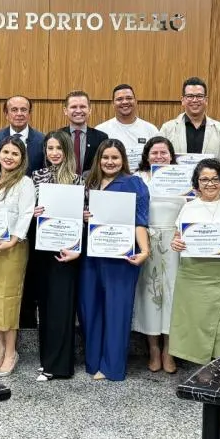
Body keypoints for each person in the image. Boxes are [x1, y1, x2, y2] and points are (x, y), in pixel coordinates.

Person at [169, 159, 220, 364]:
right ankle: (201, 369)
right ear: (196, 183)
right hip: (195, 274)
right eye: (204, 179)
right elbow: (177, 236)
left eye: (215, 179)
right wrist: (176, 244)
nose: (210, 183)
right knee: (196, 322)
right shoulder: (189, 208)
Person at [80, 139, 150, 381]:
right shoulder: (90, 181)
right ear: (98, 159)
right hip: (92, 254)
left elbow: (140, 220)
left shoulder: (134, 183)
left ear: (123, 160)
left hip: (121, 257)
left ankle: (112, 367)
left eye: (115, 158)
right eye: (105, 157)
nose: (110, 162)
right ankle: (93, 361)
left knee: (116, 311)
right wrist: (85, 217)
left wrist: (145, 250)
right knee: (91, 308)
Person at [0, 136, 36, 376]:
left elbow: (26, 214)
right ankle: (0, 350)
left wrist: (13, 240)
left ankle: (11, 352)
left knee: (7, 301)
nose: (9, 157)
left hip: (12, 248)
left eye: (15, 154)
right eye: (6, 152)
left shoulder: (25, 183)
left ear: (21, 158)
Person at [31, 131, 82, 381]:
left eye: (58, 148)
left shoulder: (77, 181)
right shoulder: (36, 177)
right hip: (42, 250)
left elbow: (84, 220)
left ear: (67, 151)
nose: (54, 153)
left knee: (62, 309)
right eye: (50, 148)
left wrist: (84, 215)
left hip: (66, 252)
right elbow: (26, 211)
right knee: (45, 307)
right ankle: (46, 360)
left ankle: (59, 366)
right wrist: (32, 211)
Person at [132, 136, 185, 374]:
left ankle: (169, 351)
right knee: (150, 296)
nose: (159, 157)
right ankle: (153, 349)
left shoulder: (183, 177)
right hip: (147, 242)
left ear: (172, 155)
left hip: (176, 244)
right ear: (147, 155)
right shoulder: (139, 178)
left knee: (174, 295)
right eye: (154, 153)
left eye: (164, 153)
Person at [159, 77, 220, 158]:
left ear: (206, 100)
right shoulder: (167, 129)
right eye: (190, 96)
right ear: (182, 100)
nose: (194, 100)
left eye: (199, 96)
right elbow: (160, 160)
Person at [95, 84, 159, 171]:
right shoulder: (101, 130)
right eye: (119, 99)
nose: (125, 102)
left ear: (136, 101)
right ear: (113, 103)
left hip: (142, 181)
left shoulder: (151, 130)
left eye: (129, 98)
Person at [0, 95, 45, 174]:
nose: (19, 113)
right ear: (6, 114)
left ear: (29, 113)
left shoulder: (42, 139)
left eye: (23, 110)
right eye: (14, 110)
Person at [56, 91, 108, 174]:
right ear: (65, 111)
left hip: (91, 185)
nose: (78, 111)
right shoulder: (56, 136)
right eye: (73, 107)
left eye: (83, 107)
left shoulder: (101, 138)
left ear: (90, 110)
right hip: (62, 185)